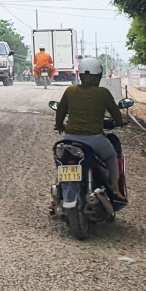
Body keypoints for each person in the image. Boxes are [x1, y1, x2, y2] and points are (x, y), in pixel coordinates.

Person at [55, 57, 127, 201]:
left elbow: (60, 112)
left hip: (71, 139)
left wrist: (60, 126)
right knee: (112, 156)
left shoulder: (70, 91)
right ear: (98, 76)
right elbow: (116, 114)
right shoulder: (103, 93)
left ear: (80, 75)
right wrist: (119, 122)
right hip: (95, 140)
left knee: (64, 163)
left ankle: (57, 197)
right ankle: (116, 190)